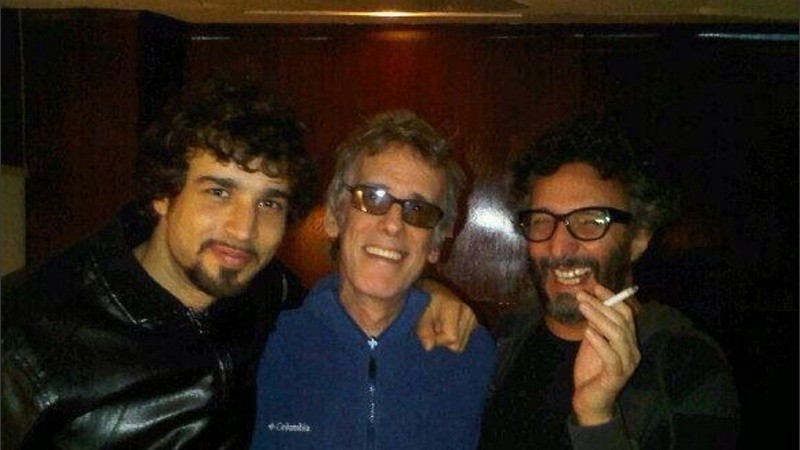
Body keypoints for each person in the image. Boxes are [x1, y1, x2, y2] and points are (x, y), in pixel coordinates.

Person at [1, 79, 477, 449]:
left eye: (268, 203)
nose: (243, 229)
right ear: (164, 193)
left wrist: (429, 291)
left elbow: (362, 293)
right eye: (219, 192)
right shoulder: (26, 339)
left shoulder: (263, 290)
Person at [478, 115, 740, 449]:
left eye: (590, 221)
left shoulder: (687, 367)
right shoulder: (506, 337)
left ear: (637, 239)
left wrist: (597, 420)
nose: (558, 248)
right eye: (541, 221)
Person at [249, 110, 496, 450]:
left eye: (418, 210)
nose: (393, 224)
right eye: (372, 198)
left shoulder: (471, 352)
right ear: (335, 217)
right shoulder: (263, 342)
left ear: (436, 244)